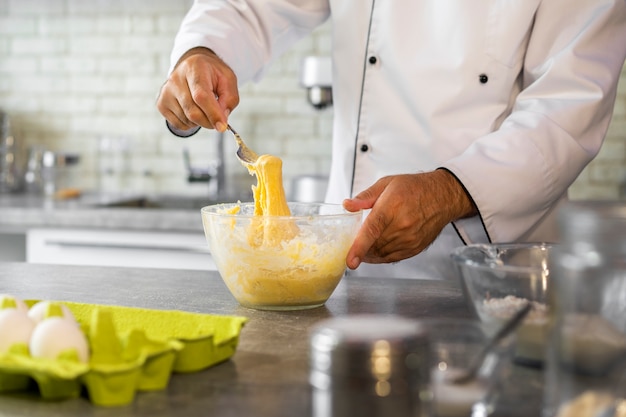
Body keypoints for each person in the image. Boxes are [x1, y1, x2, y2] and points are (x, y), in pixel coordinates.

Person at [157, 1, 626, 279]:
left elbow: (568, 105)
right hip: (349, 265)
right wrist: (203, 51)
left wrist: (447, 191)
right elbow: (250, 6)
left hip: (500, 273)